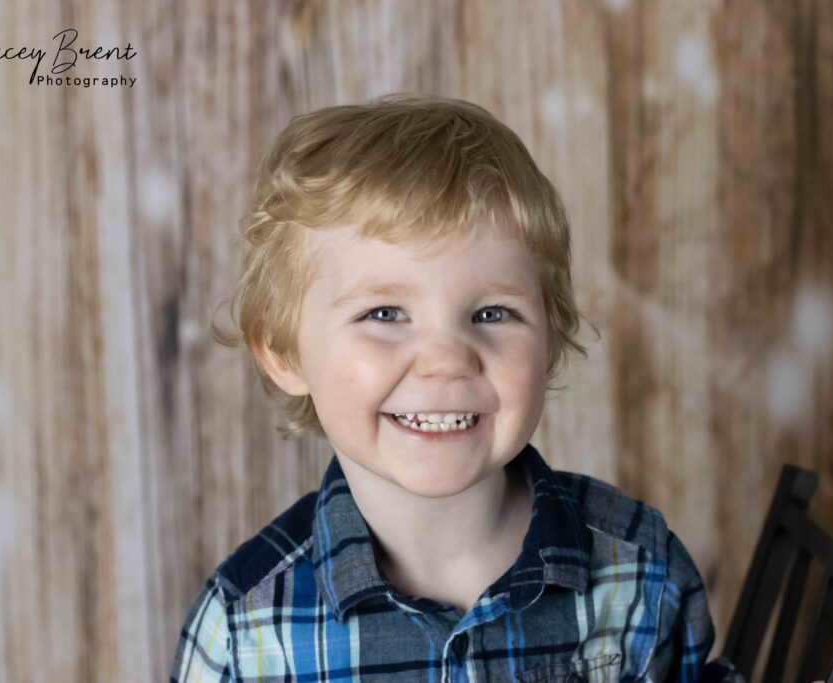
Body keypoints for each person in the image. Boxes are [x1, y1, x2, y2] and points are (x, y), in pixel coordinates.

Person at [169, 93, 746, 682]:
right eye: (385, 314)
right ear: (285, 352)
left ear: (550, 340)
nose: (445, 361)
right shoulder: (244, 631)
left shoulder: (641, 572)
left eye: (493, 313)